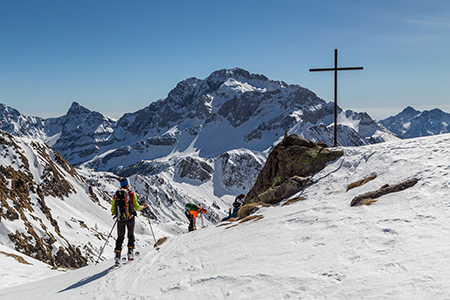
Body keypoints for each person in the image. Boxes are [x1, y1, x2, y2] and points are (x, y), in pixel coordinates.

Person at [111, 177, 147, 264]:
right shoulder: (131, 194)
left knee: (120, 237)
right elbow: (137, 207)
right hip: (130, 218)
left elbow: (112, 209)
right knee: (130, 236)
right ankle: (130, 254)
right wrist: (143, 206)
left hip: (120, 219)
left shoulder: (116, 195)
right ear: (127, 184)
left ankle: (117, 257)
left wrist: (118, 214)